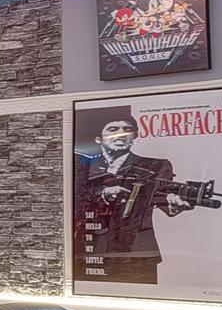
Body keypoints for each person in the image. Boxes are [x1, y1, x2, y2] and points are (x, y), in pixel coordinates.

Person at [77, 114, 192, 283]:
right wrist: (103, 193)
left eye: (127, 129)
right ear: (98, 139)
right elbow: (76, 200)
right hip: (89, 252)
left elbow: (165, 197)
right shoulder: (82, 168)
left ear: (135, 136)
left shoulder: (155, 166)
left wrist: (174, 201)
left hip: (136, 254)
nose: (121, 133)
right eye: (113, 129)